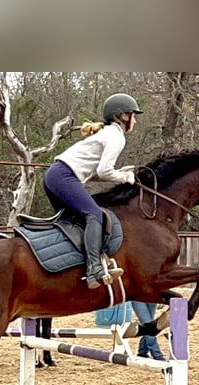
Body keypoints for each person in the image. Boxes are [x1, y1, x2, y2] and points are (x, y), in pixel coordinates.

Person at [44, 92, 143, 289]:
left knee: (73, 222)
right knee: (94, 215)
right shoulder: (116, 136)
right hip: (63, 176)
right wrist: (126, 177)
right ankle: (94, 269)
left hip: (54, 176)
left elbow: (94, 173)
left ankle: (68, 269)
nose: (135, 121)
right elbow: (104, 171)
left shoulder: (106, 133)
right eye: (133, 115)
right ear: (123, 116)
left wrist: (118, 172)